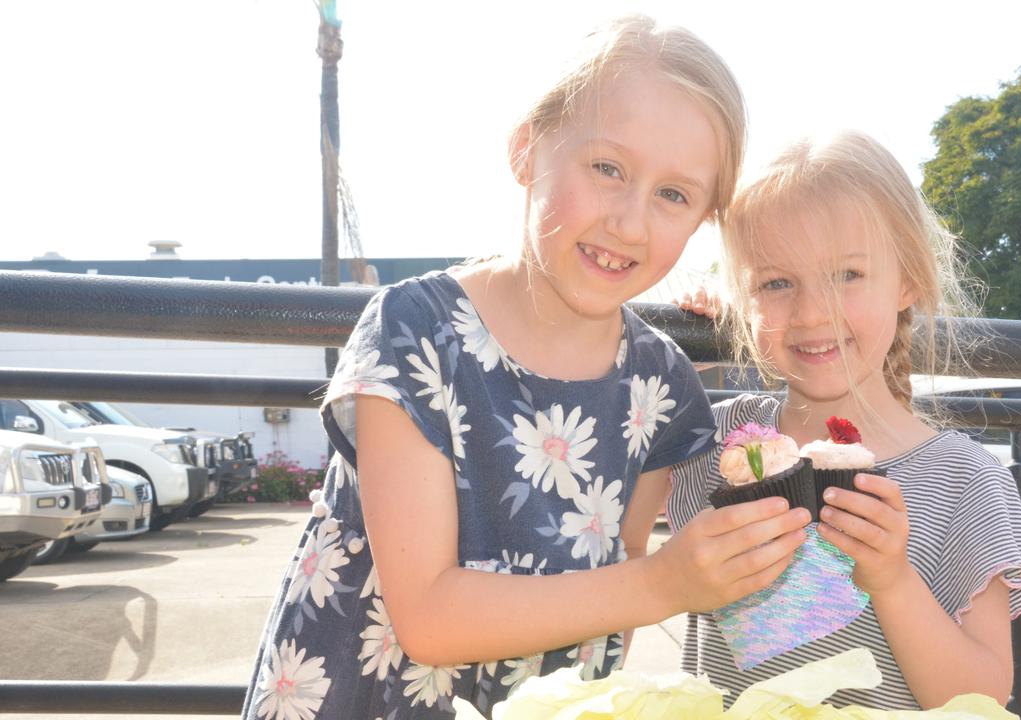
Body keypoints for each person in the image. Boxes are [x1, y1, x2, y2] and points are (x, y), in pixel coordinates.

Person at [241, 16, 814, 720]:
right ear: (526, 148)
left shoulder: (664, 386)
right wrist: (668, 584)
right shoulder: (413, 332)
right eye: (608, 169)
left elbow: (613, 613)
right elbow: (429, 617)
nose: (630, 225)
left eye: (674, 196)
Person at [667, 131, 1021, 710]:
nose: (812, 312)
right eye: (775, 283)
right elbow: (605, 509)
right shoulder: (710, 439)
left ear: (908, 280)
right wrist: (670, 363)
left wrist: (893, 582)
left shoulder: (967, 481)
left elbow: (982, 696)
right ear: (740, 298)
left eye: (847, 275)